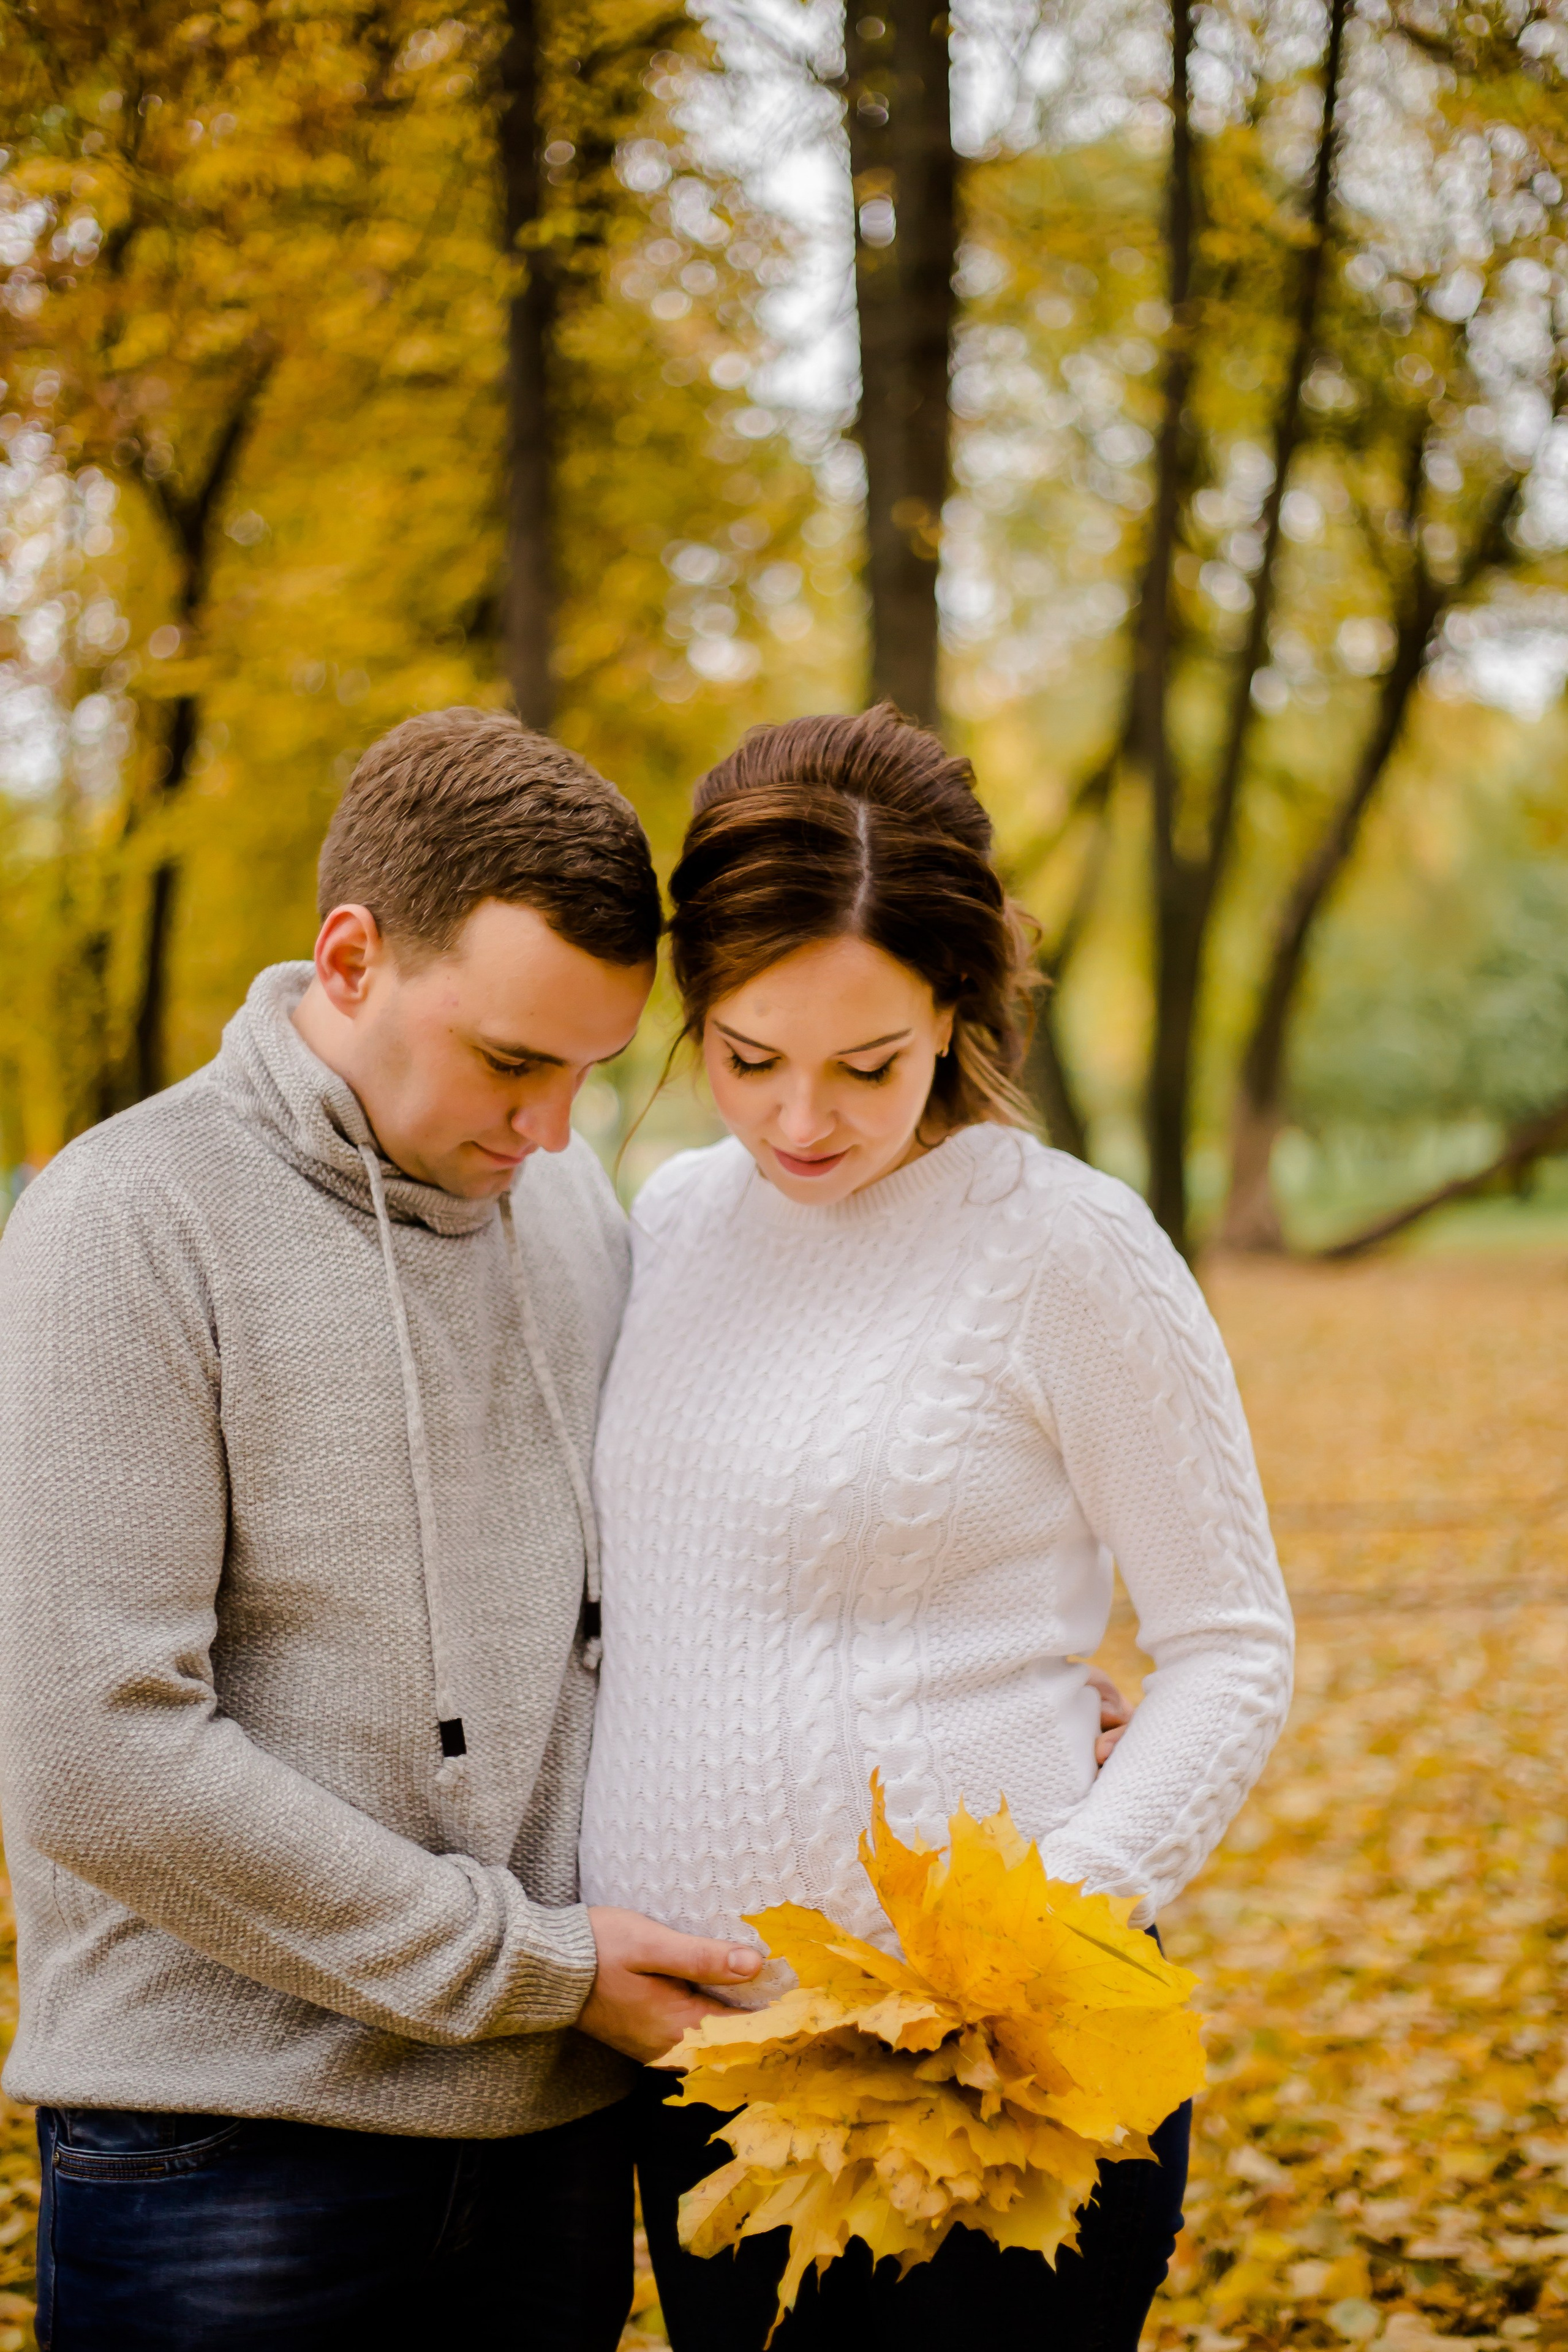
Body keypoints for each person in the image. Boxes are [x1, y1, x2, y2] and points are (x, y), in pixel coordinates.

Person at [0, 707, 763, 2352]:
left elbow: (683, 1559)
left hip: (551, 2142)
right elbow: (97, 1758)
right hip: (223, 2152)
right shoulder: (125, 1225)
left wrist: (974, 1680)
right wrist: (538, 1967)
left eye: (589, 1073)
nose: (551, 1129)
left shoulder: (563, 1209)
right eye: (513, 1061)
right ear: (350, 960)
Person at [579, 705, 1295, 2350]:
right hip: (705, 2084)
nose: (801, 1120)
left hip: (993, 2089)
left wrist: (1040, 1934)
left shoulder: (1064, 1250)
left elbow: (1231, 1644)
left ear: (957, 1009)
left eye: (869, 1065)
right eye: (748, 1058)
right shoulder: (670, 1221)